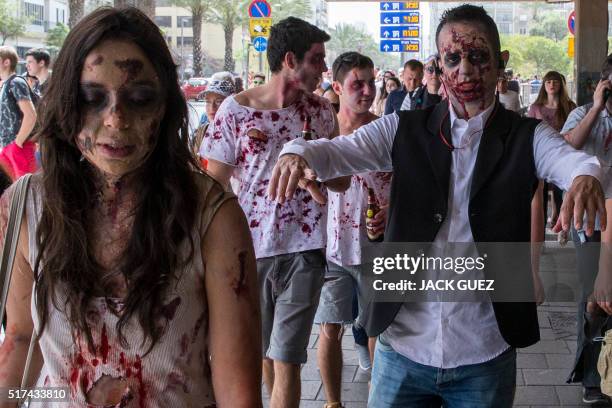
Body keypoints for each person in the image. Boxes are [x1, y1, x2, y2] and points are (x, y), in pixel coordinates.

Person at [268, 5, 607, 407]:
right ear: (440, 66)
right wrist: (296, 154)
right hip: (402, 347)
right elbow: (338, 152)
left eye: (477, 57)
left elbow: (573, 161)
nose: (465, 70)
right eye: (453, 59)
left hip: (485, 346)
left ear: (499, 65)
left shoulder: (527, 136)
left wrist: (586, 177)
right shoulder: (402, 127)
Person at [0, 8, 262, 407]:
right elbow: (20, 338)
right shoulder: (25, 206)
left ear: (165, 107)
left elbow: (237, 392)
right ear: (66, 103)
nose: (116, 119)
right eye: (92, 98)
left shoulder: (212, 215)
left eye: (139, 99)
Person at [202, 17, 348, 408]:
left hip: (305, 251)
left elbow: (342, 182)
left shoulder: (320, 112)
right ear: (289, 59)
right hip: (248, 252)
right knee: (256, 355)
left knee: (287, 359)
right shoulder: (235, 111)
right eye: (316, 59)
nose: (323, 68)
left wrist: (320, 173)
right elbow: (213, 187)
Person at [314, 52, 391, 408]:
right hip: (333, 250)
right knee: (329, 328)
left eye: (371, 83)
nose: (366, 91)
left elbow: (408, 187)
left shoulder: (387, 133)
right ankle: (333, 403)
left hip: (378, 249)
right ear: (337, 87)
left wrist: (391, 211)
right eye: (356, 84)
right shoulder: (322, 137)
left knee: (379, 329)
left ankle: (378, 398)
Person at [561, 54, 612, 405]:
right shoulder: (583, 114)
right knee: (594, 298)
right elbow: (567, 148)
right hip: (591, 222)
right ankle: (591, 375)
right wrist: (596, 108)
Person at [528, 71, 577, 231]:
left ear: (561, 84)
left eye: (555, 81)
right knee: (538, 195)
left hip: (562, 156)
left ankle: (561, 224)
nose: (551, 84)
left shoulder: (570, 106)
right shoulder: (535, 107)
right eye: (548, 81)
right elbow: (528, 131)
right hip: (539, 157)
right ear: (543, 85)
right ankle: (539, 233)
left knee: (560, 192)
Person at [0, 46, 37, 180]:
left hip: (19, 146)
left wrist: (18, 142)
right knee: (10, 194)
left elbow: (31, 115)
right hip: (8, 147)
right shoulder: (5, 84)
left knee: (25, 193)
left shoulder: (16, 82)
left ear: (6, 62)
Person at [191, 78, 235, 161]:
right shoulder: (201, 132)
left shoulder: (240, 137)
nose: (212, 107)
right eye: (208, 102)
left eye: (219, 101)